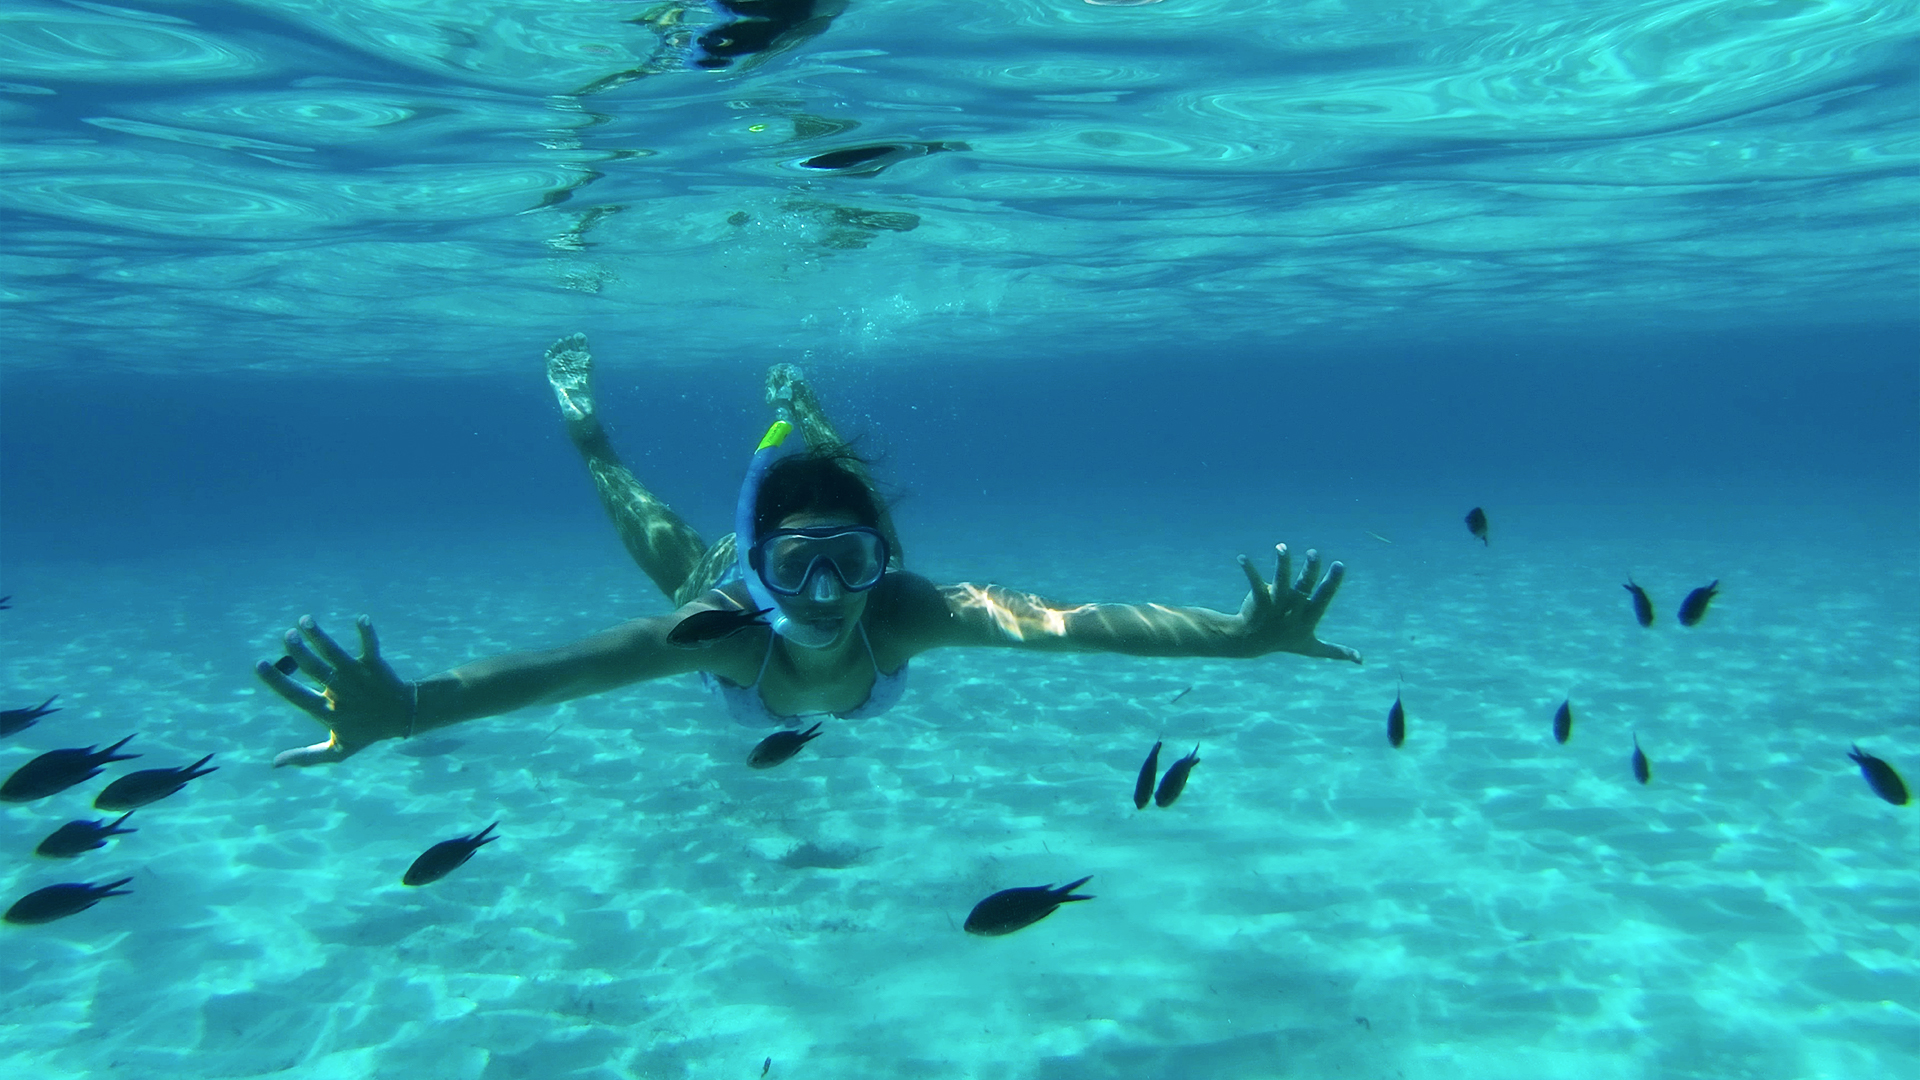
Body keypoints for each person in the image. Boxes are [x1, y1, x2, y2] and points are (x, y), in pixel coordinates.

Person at [257, 336, 1361, 767]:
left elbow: (1077, 626)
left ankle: (804, 428)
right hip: (717, 587)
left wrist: (1240, 641)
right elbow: (565, 672)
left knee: (822, 491)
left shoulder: (907, 607)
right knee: (652, 531)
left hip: (793, 596)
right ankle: (589, 431)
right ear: (764, 573)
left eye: (850, 560)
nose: (830, 593)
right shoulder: (725, 633)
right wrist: (409, 709)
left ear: (887, 560)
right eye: (797, 567)